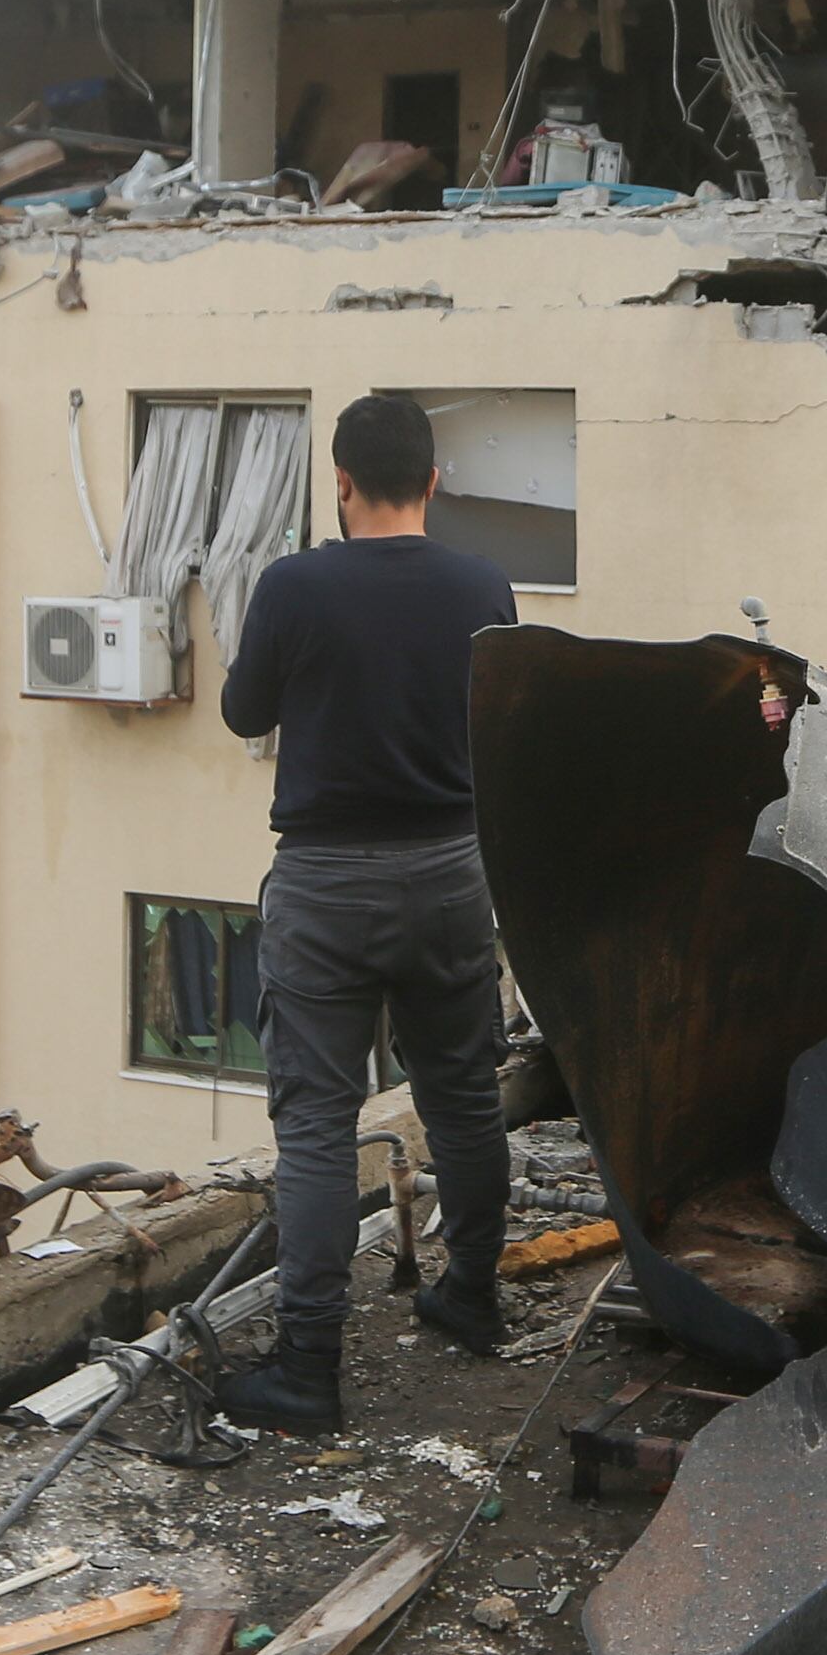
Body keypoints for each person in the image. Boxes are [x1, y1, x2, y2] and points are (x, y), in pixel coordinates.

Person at [209, 389, 520, 1432]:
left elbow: (244, 711)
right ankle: (471, 1297)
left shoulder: (295, 585)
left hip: (328, 884)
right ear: (433, 481)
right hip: (448, 874)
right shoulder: (482, 585)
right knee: (463, 1099)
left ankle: (306, 1370)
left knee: (313, 1130)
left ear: (337, 481)